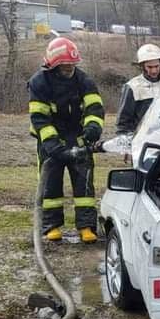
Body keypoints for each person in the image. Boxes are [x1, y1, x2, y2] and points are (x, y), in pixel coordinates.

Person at [27, 37, 105, 243]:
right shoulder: (39, 83)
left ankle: (87, 227)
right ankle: (51, 226)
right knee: (50, 184)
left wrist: (93, 128)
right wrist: (52, 144)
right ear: (53, 65)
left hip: (78, 138)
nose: (70, 68)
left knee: (84, 184)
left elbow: (94, 108)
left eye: (72, 65)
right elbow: (40, 118)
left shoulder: (84, 81)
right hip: (50, 140)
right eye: (65, 66)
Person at [115, 43, 160, 135]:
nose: (154, 71)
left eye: (156, 66)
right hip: (140, 139)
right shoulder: (133, 86)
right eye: (149, 67)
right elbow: (123, 122)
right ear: (142, 66)